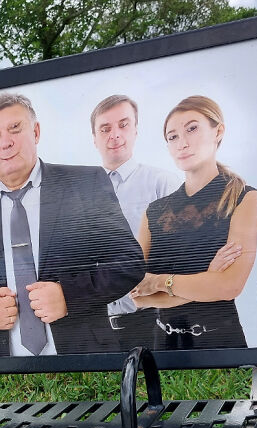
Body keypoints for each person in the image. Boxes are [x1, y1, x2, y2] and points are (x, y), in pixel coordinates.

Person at [0, 93, 145, 357]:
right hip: (3, 375)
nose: (5, 142)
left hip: (86, 362)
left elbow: (128, 263)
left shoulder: (85, 184)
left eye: (15, 129)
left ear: (36, 131)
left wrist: (69, 296)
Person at [131, 95, 257, 350]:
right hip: (162, 346)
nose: (183, 143)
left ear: (218, 131)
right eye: (173, 136)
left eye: (192, 128)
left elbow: (227, 286)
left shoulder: (244, 198)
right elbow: (137, 296)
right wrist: (207, 279)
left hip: (221, 345)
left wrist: (159, 283)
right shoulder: (154, 211)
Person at [90, 94, 179, 351]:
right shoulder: (80, 194)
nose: (114, 134)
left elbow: (180, 257)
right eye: (105, 128)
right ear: (94, 138)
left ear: (136, 130)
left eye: (123, 124)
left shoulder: (164, 184)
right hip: (95, 330)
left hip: (153, 323)